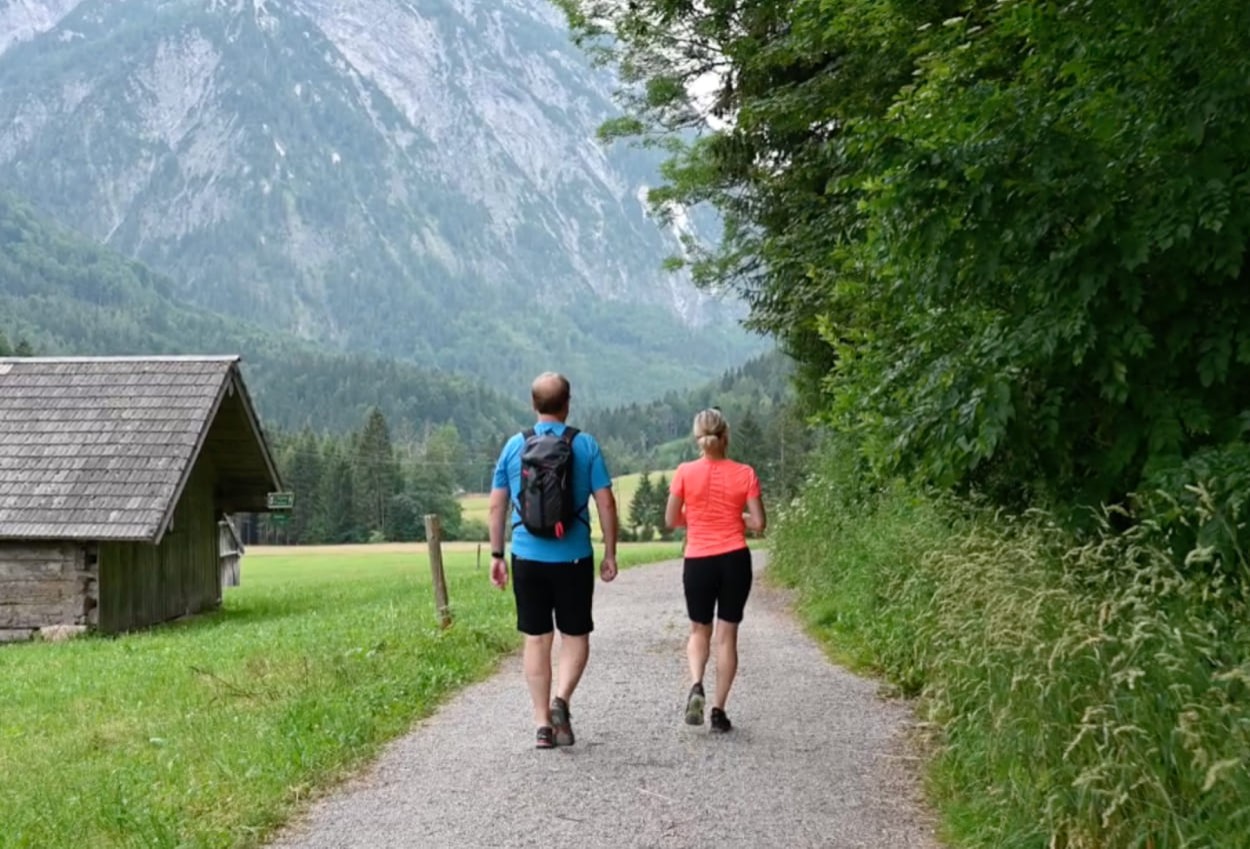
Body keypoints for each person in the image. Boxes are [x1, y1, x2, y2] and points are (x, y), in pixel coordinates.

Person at [489, 372, 619, 749]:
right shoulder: (585, 445)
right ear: (567, 403)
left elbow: (497, 505)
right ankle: (562, 699)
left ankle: (542, 724)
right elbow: (606, 502)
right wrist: (610, 552)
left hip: (527, 556)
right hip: (574, 557)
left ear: (534, 405)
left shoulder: (515, 446)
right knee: (574, 635)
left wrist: (497, 554)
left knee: (536, 638)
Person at [665, 408, 766, 733]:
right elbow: (760, 524)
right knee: (727, 636)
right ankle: (719, 711)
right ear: (726, 436)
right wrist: (738, 519)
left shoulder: (684, 472)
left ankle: (696, 683)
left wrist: (695, 517)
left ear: (698, 438)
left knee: (699, 630)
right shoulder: (745, 473)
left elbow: (670, 520)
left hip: (698, 560)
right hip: (734, 558)